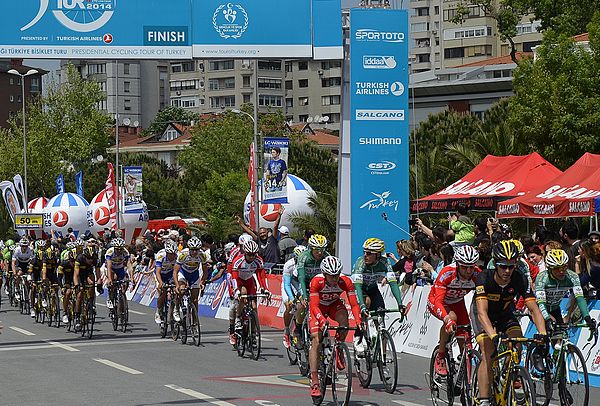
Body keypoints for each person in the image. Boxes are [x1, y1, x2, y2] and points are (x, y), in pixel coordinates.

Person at [471, 241, 548, 406]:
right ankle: (484, 400)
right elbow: (482, 313)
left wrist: (542, 333)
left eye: (511, 266)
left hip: (504, 314)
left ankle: (510, 373)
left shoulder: (519, 278)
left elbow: (534, 309)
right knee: (488, 352)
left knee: (517, 343)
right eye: (503, 266)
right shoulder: (483, 278)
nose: (507, 271)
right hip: (483, 315)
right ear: (495, 264)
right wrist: (492, 335)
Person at [308, 256, 362, 398]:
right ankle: (314, 381)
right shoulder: (316, 281)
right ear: (324, 274)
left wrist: (358, 321)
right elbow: (313, 305)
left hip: (333, 305)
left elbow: (354, 304)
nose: (334, 279)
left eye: (337, 275)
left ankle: (339, 348)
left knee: (344, 322)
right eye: (331, 276)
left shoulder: (346, 281)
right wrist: (321, 320)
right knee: (316, 340)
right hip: (318, 308)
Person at [428, 245, 481, 376]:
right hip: (437, 300)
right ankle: (440, 355)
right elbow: (439, 301)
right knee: (452, 318)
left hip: (457, 302)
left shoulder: (477, 274)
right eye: (464, 267)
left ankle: (465, 380)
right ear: (457, 264)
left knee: (465, 340)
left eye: (471, 266)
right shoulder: (447, 273)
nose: (468, 271)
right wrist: (447, 320)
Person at [351, 238, 403, 353]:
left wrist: (400, 303)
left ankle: (382, 358)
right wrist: (362, 306)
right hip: (360, 290)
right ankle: (358, 336)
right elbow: (357, 287)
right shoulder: (361, 263)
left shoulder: (385, 262)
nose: (365, 255)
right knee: (367, 302)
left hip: (373, 290)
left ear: (378, 255)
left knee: (381, 319)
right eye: (364, 252)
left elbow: (393, 284)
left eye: (369, 253)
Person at [535, 249, 595, 333]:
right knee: (544, 336)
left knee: (560, 337)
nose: (561, 271)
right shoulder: (542, 278)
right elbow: (541, 303)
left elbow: (580, 298)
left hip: (555, 308)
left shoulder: (572, 277)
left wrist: (587, 317)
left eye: (564, 267)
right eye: (556, 268)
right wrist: (547, 318)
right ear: (549, 268)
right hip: (539, 309)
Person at [230, 240, 271, 344]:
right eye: (250, 255)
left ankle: (253, 332)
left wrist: (265, 289)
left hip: (249, 281)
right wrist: (236, 290)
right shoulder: (238, 260)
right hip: (239, 281)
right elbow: (234, 277)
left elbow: (261, 276)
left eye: (254, 255)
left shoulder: (258, 260)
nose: (252, 257)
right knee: (243, 294)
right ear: (245, 253)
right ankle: (238, 318)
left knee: (254, 307)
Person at [295, 234, 329, 344]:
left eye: (322, 250)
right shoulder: (303, 257)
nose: (320, 252)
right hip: (304, 282)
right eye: (317, 250)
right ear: (311, 248)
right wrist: (304, 296)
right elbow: (301, 277)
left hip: (318, 285)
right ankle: (298, 328)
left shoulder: (326, 257)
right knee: (302, 305)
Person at [173, 236, 209, 322]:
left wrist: (202, 282)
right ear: (189, 249)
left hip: (194, 274)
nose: (194, 252)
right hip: (183, 272)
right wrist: (177, 285)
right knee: (181, 290)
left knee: (195, 299)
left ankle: (195, 320)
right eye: (192, 250)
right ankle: (176, 309)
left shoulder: (202, 255)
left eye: (197, 249)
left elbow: (205, 271)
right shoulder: (183, 254)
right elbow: (175, 271)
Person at [282, 245, 306, 348]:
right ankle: (287, 330)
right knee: (289, 306)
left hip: (299, 284)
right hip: (288, 284)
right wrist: (292, 299)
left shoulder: (306, 263)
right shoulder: (289, 265)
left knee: (304, 304)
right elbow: (287, 284)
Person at [73, 245, 100, 331]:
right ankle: (77, 317)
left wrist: (99, 282)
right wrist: (77, 285)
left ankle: (91, 303)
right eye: (88, 258)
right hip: (80, 274)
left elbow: (98, 273)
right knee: (80, 295)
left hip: (88, 273)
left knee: (92, 283)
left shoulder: (95, 259)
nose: (90, 260)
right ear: (84, 256)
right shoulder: (79, 259)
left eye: (92, 258)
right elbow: (75, 275)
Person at [105, 238, 133, 310]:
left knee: (126, 280)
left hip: (120, 268)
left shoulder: (125, 252)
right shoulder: (110, 252)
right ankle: (110, 297)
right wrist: (109, 279)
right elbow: (109, 266)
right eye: (117, 249)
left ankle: (122, 296)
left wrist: (132, 277)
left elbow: (129, 265)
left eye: (121, 249)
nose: (119, 251)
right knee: (113, 279)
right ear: (114, 248)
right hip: (111, 269)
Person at [154, 240, 178, 324]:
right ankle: (158, 311)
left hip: (170, 274)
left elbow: (178, 271)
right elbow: (157, 272)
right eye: (170, 254)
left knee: (176, 291)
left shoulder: (177, 256)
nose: (172, 256)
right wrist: (160, 282)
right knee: (163, 293)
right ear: (166, 253)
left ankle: (174, 309)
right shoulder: (161, 256)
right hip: (160, 275)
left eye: (173, 254)